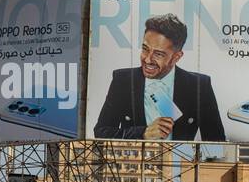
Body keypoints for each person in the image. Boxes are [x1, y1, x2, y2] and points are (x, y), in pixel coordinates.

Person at [92, 13, 225, 141]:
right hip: (136, 162)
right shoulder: (122, 80)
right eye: (145, 49)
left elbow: (216, 142)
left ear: (176, 57)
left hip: (180, 163)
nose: (148, 60)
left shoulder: (199, 86)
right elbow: (101, 132)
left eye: (158, 54)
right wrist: (143, 133)